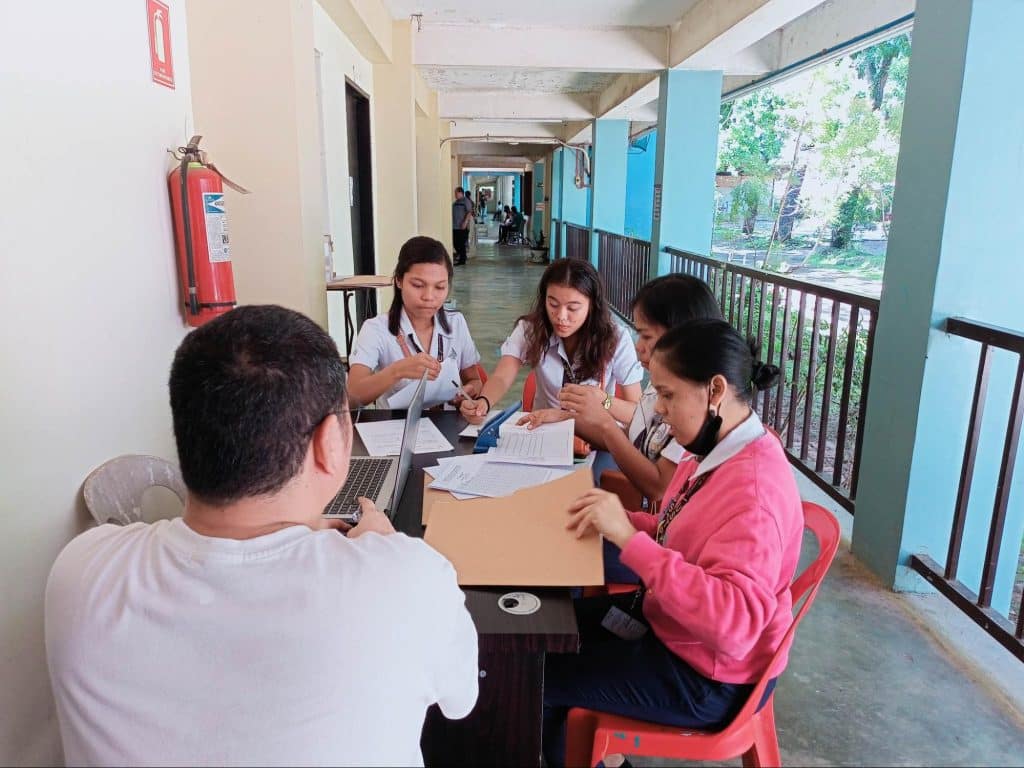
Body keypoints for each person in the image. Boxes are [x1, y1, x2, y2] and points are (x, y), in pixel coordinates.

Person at [45, 305, 479, 766]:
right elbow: (460, 699)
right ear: (331, 443)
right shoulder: (407, 580)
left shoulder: (79, 573)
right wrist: (385, 545)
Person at [541, 319, 801, 768]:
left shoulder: (753, 494)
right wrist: (616, 520)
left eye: (667, 395)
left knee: (534, 679)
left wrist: (626, 537)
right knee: (541, 638)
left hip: (707, 676)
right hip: (669, 629)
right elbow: (672, 527)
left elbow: (733, 626)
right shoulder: (715, 449)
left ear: (715, 390)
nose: (658, 409)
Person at [533, 274, 723, 502]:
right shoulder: (661, 385)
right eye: (553, 304)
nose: (638, 346)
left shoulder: (693, 403)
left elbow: (658, 488)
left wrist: (604, 417)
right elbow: (635, 437)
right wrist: (565, 418)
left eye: (646, 336)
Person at [460, 259, 643, 425]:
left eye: (573, 308)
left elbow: (637, 414)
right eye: (553, 304)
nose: (561, 317)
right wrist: (483, 402)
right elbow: (502, 375)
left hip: (596, 439)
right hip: (544, 432)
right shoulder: (531, 329)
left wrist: (604, 400)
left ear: (592, 306)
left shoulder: (616, 338)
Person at [348, 235, 483, 409]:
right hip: (394, 429)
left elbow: (474, 380)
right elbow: (352, 397)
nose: (429, 297)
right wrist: (397, 371)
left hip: (447, 428)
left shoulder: (456, 323)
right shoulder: (376, 329)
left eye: (440, 287)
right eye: (418, 285)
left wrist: (469, 392)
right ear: (398, 280)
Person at [452, 186, 474, 265]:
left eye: (456, 193)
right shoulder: (455, 202)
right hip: (455, 226)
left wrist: (465, 222)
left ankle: (462, 260)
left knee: (460, 243)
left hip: (462, 227)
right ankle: (462, 256)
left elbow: (469, 212)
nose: (455, 194)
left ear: (460, 193)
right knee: (455, 243)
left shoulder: (466, 201)